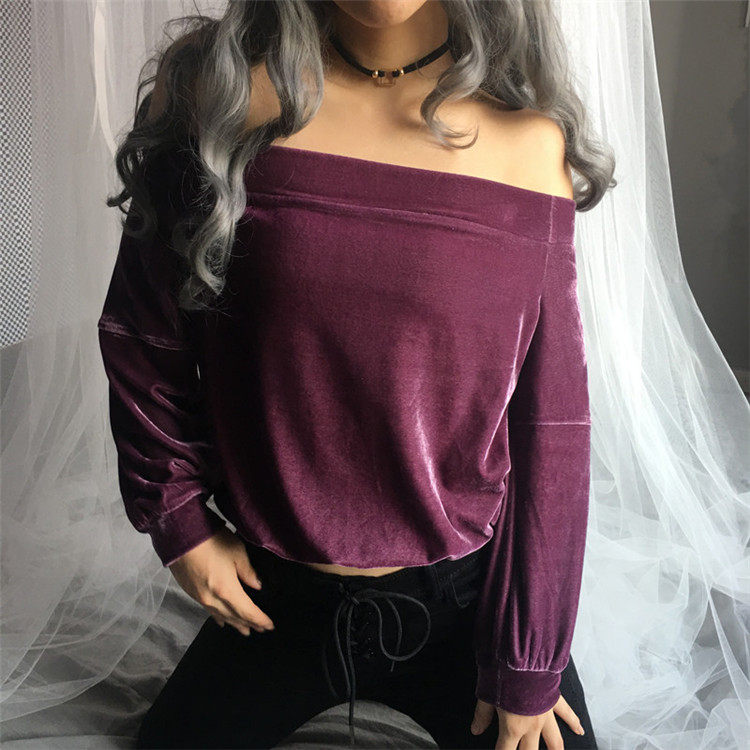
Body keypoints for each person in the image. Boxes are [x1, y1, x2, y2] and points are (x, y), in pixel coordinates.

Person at [97, 1, 614, 747]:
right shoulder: (220, 106)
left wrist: (529, 659)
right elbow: (144, 335)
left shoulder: (528, 145)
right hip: (271, 597)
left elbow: (552, 423)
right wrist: (180, 525)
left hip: (463, 605)